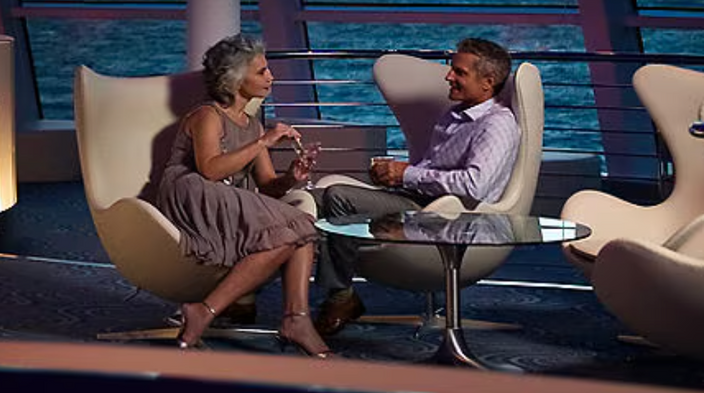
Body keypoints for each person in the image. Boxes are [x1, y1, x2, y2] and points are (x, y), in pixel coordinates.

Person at [310, 37, 520, 338]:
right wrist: (395, 176)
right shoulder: (454, 114)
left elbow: (474, 186)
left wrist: (407, 175)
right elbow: (429, 172)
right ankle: (256, 293)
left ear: (487, 82)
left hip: (447, 217)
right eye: (451, 69)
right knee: (312, 199)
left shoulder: (496, 124)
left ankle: (340, 298)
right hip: (416, 201)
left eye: (459, 72)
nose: (448, 76)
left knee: (338, 197)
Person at [157, 33, 332, 358]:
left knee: (301, 228)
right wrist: (265, 142)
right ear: (235, 78)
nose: (271, 77)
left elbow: (267, 185)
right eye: (262, 71)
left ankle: (296, 317)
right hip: (192, 192)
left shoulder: (251, 124)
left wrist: (291, 177)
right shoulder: (207, 115)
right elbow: (210, 169)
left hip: (225, 197)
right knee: (295, 230)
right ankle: (213, 312)